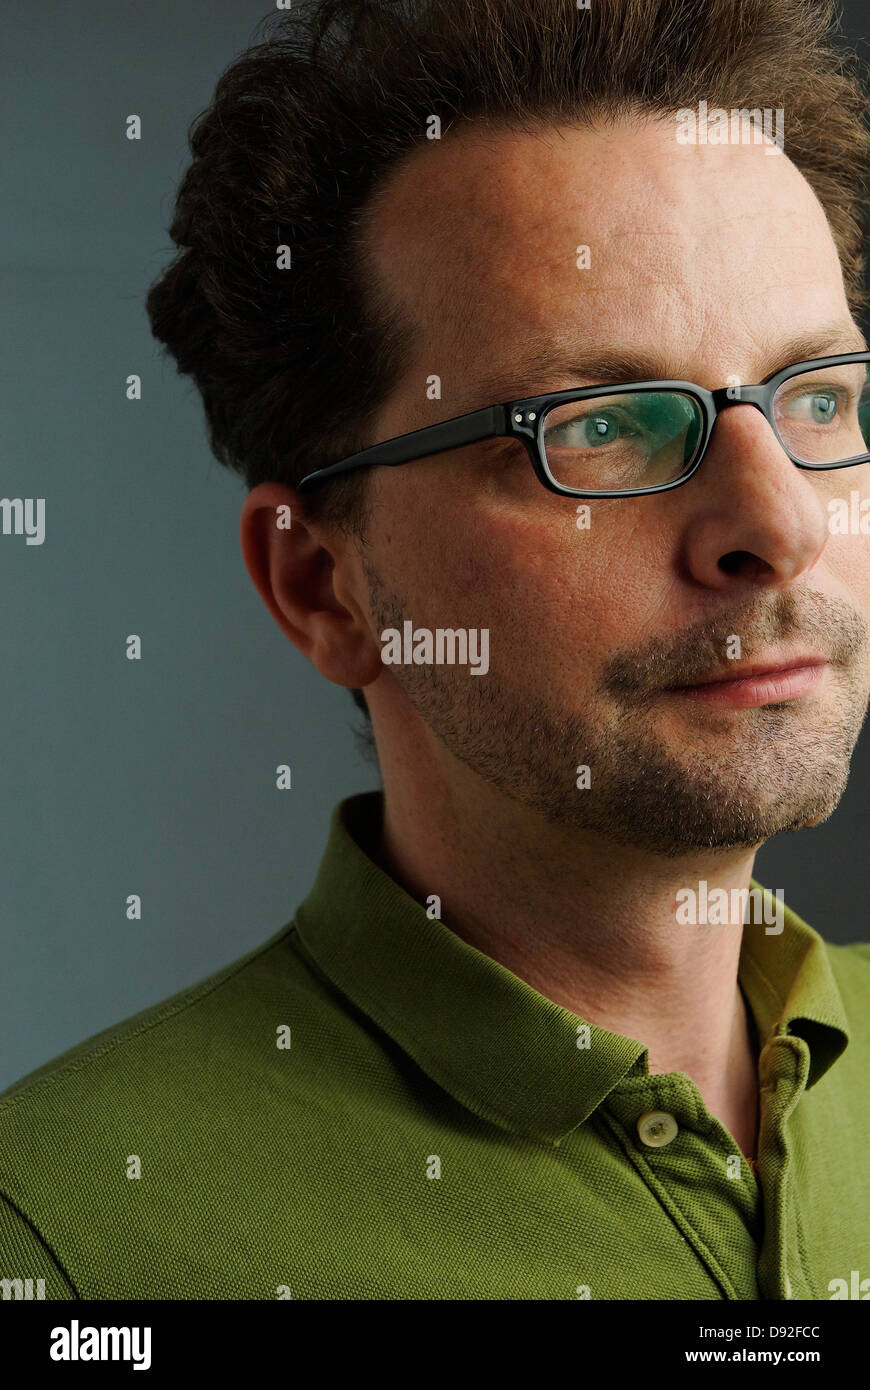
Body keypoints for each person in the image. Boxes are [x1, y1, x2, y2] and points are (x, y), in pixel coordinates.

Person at [2, 0, 870, 1301]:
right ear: (321, 585)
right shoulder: (64, 1245)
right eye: (598, 427)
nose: (778, 522)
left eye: (816, 399)